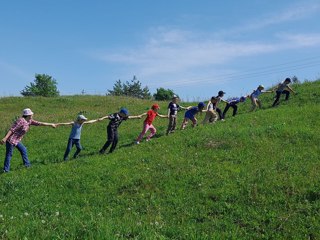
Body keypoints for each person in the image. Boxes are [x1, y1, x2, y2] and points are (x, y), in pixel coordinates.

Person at [1, 108, 56, 173]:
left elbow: (39, 123)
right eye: (31, 114)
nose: (32, 115)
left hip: (17, 140)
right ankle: (6, 170)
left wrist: (51, 124)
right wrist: (5, 138)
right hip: (11, 140)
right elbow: (12, 129)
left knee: (24, 150)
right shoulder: (21, 121)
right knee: (9, 154)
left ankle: (27, 165)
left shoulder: (29, 121)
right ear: (28, 115)